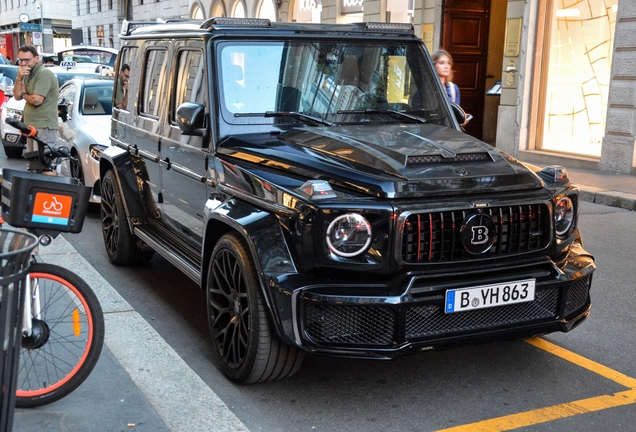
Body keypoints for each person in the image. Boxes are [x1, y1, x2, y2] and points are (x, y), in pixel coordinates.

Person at [13, 45, 60, 171]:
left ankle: (49, 190)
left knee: (45, 166)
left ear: (36, 59)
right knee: (34, 166)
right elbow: (17, 96)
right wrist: (19, 78)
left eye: (26, 60)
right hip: (32, 126)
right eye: (20, 60)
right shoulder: (27, 73)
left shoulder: (44, 74)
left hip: (44, 126)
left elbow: (37, 100)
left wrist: (24, 94)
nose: (23, 63)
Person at [431, 49, 471, 126]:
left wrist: (462, 118)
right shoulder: (426, 89)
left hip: (450, 130)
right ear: (433, 65)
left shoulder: (453, 88)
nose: (446, 66)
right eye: (442, 63)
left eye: (448, 63)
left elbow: (456, 110)